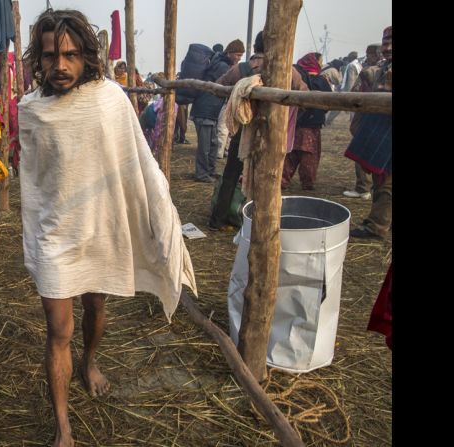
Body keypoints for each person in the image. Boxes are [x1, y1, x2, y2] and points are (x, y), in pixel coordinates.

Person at [19, 9, 197, 447]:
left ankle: (90, 362)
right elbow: (35, 182)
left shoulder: (110, 98)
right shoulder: (31, 110)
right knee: (58, 330)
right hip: (55, 233)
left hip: (98, 228)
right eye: (50, 56)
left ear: (87, 56)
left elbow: (137, 159)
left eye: (71, 55)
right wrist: (38, 232)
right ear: (38, 59)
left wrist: (157, 210)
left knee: (95, 309)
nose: (60, 65)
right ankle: (63, 427)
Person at [208, 31, 308, 231]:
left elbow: (218, 87)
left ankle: (217, 220)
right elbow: (304, 95)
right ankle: (260, 224)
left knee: (231, 174)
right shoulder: (289, 71)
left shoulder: (242, 69)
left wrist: (238, 96)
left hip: (243, 132)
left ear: (255, 47)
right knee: (269, 177)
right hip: (273, 134)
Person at [348, 26, 392, 240]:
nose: (388, 48)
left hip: (388, 132)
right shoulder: (383, 68)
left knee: (387, 184)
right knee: (380, 180)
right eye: (385, 43)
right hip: (382, 131)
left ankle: (377, 226)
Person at [189, 39, 244, 182]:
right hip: (204, 111)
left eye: (240, 56)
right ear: (229, 53)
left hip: (211, 112)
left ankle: (210, 172)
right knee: (205, 146)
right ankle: (201, 174)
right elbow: (234, 82)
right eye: (237, 55)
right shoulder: (222, 67)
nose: (239, 58)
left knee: (213, 144)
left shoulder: (222, 64)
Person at [281, 52, 332, 191]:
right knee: (309, 156)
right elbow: (329, 103)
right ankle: (307, 183)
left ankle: (283, 180)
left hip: (294, 122)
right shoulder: (321, 81)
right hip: (312, 125)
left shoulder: (295, 76)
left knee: (289, 153)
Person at [342, 43, 383, 200]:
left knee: (361, 151)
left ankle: (362, 188)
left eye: (370, 54)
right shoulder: (383, 68)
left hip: (367, 117)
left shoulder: (369, 71)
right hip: (382, 120)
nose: (368, 57)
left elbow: (355, 92)